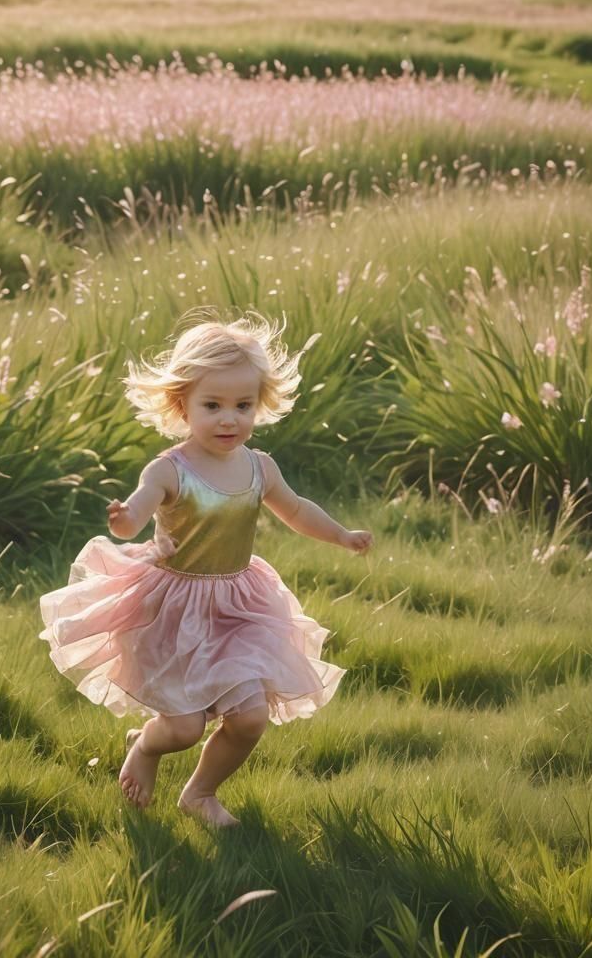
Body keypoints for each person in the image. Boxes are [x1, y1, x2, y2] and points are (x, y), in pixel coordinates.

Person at [38, 314, 373, 827]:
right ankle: (147, 746)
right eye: (212, 406)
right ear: (182, 405)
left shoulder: (259, 467)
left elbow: (297, 510)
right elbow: (137, 510)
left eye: (243, 406)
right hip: (174, 611)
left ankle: (199, 793)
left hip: (239, 605)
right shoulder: (170, 469)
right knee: (183, 728)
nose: (229, 420)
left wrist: (342, 535)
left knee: (250, 718)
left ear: (258, 404)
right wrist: (124, 520)